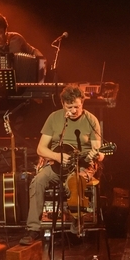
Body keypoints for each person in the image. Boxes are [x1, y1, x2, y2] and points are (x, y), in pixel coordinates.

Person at [20, 84, 103, 245]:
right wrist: (57, 156)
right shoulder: (54, 118)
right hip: (56, 164)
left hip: (82, 166)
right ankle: (33, 229)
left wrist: (97, 155)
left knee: (74, 182)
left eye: (77, 107)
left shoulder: (91, 120)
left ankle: (76, 219)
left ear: (82, 103)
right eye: (69, 107)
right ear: (63, 105)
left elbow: (98, 153)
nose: (73, 111)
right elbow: (40, 149)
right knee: (37, 182)